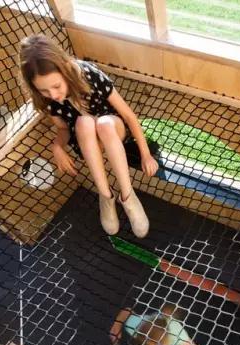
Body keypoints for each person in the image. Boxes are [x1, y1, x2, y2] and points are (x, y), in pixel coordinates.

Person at [19, 34, 159, 238]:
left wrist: (145, 154)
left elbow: (129, 115)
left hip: (113, 130)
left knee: (103, 124)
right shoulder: (46, 98)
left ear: (65, 70)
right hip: (85, 140)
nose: (53, 95)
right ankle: (106, 197)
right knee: (83, 123)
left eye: (56, 86)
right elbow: (63, 129)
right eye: (44, 90)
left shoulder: (88, 75)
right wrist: (57, 146)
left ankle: (129, 197)